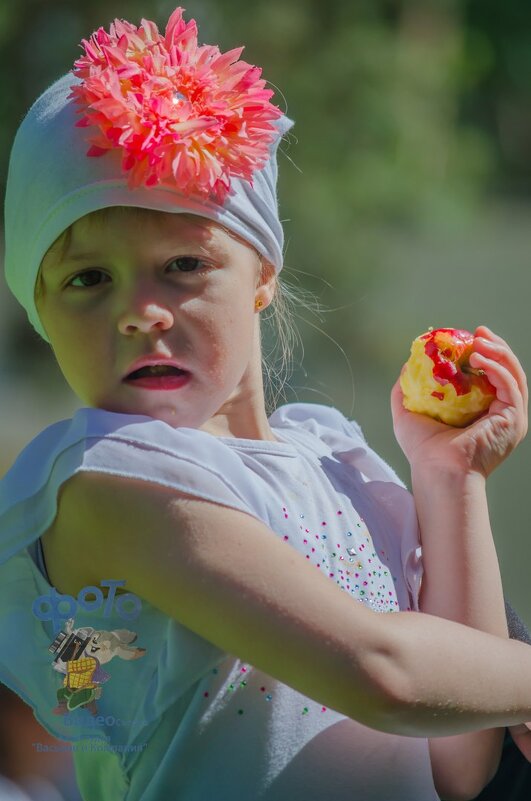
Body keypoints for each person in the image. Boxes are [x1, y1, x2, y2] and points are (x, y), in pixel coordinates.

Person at [1, 6, 530, 801]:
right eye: (87, 278)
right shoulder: (104, 486)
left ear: (262, 274)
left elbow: (459, 762)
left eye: (182, 263)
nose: (139, 309)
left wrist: (450, 480)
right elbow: (382, 671)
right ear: (40, 312)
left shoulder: (339, 463)